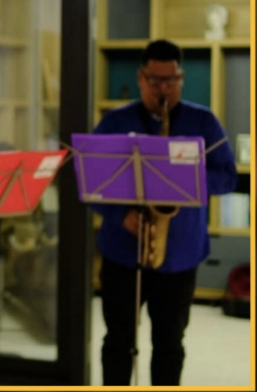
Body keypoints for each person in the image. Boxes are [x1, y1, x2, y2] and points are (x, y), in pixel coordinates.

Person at [91, 39, 237, 385]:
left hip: (179, 254)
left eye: (171, 80)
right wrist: (119, 215)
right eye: (155, 80)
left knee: (170, 345)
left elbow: (228, 177)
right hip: (122, 252)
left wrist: (187, 176)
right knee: (117, 342)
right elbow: (90, 182)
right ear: (140, 78)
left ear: (181, 78)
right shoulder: (114, 122)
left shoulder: (204, 121)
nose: (163, 89)